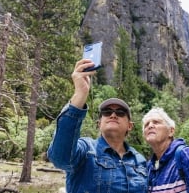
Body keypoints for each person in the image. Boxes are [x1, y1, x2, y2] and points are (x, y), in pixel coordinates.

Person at [47, 59, 147, 193]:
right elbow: (60, 158)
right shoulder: (85, 150)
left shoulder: (140, 160)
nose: (113, 115)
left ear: (130, 126)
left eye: (120, 112)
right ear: (99, 124)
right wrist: (80, 94)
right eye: (106, 112)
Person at [142, 107, 189, 193]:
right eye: (146, 124)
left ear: (171, 131)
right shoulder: (149, 168)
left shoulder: (186, 156)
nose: (150, 126)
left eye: (156, 122)